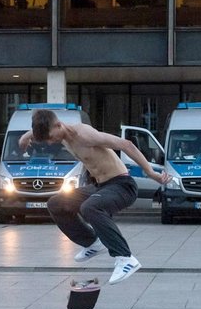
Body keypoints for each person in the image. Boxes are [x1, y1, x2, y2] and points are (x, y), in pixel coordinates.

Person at [19, 109, 169, 285]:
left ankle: (126, 258)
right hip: (101, 186)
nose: (52, 142)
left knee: (90, 207)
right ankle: (92, 242)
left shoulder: (84, 134)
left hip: (122, 186)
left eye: (51, 138)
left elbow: (126, 145)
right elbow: (42, 125)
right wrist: (25, 138)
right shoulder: (57, 130)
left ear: (59, 125)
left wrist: (151, 173)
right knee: (56, 203)